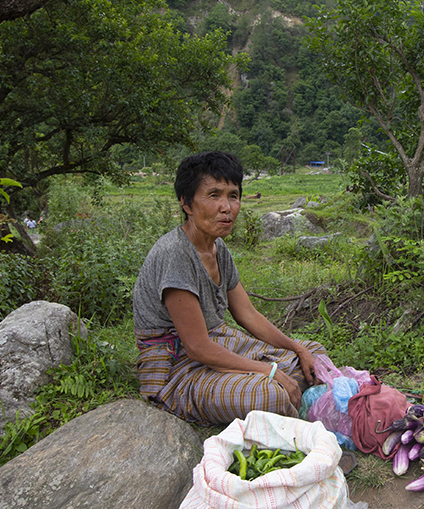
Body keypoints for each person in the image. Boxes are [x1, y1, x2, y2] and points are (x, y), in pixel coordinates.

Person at [132, 151, 326, 425]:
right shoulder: (175, 254)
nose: (227, 207)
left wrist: (298, 349)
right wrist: (269, 372)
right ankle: (284, 399)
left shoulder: (217, 248)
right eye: (214, 195)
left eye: (233, 195)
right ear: (186, 204)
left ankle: (285, 391)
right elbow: (197, 347)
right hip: (179, 366)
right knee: (270, 396)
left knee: (313, 353)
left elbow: (247, 314)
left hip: (218, 344)